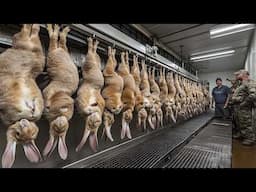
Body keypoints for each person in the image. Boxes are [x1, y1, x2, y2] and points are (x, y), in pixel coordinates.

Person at [231, 70, 256, 146]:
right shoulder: (241, 84)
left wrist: (244, 103)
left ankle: (250, 138)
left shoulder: (249, 82)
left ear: (244, 74)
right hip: (238, 108)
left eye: (238, 74)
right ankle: (241, 134)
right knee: (239, 122)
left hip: (244, 108)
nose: (237, 75)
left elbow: (253, 95)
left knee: (246, 123)